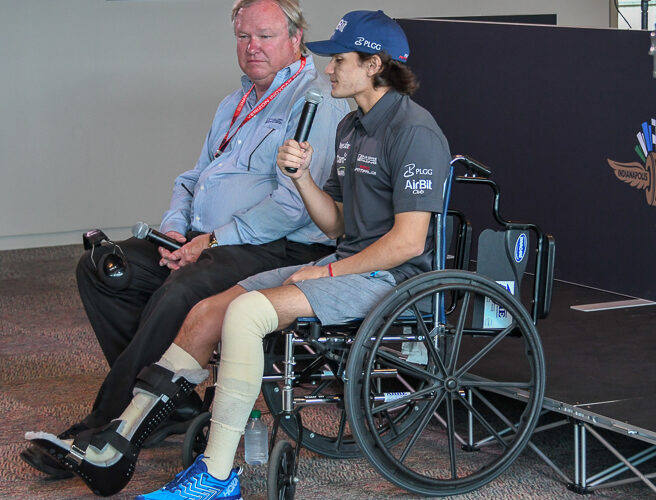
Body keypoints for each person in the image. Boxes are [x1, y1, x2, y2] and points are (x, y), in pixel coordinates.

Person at [27, 10, 451, 498]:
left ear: (374, 64)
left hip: (386, 279)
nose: (328, 68)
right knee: (207, 312)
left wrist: (327, 269)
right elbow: (336, 221)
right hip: (343, 266)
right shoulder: (353, 128)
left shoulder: (414, 131)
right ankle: (119, 439)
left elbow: (408, 243)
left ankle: (217, 474)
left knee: (246, 313)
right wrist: (302, 178)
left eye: (339, 59)